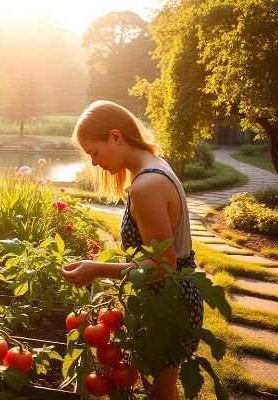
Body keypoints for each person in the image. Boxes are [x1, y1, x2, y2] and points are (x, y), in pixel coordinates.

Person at [60, 100, 203, 400]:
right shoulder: (155, 166)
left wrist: (98, 269)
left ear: (115, 136)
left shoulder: (146, 185)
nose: (95, 163)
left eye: (94, 153)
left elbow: (163, 267)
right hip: (172, 299)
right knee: (161, 390)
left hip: (169, 304)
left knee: (160, 394)